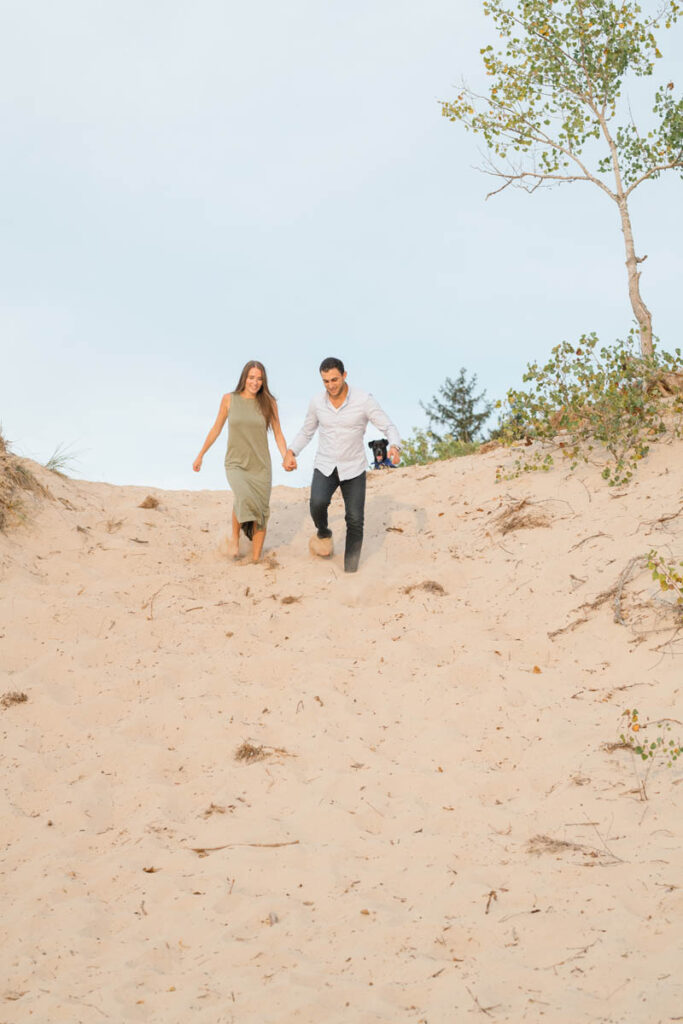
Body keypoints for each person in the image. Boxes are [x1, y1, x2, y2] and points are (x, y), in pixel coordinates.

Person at [283, 357, 400, 573]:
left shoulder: (364, 400)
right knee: (317, 504)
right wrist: (292, 451)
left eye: (334, 380)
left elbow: (388, 425)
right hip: (325, 464)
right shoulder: (317, 402)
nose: (330, 385)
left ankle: (350, 571)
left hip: (353, 468)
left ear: (345, 376)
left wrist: (395, 446)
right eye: (325, 381)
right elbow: (307, 431)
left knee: (355, 520)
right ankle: (324, 533)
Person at [193, 361, 289, 563]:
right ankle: (235, 540)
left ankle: (255, 558)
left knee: (262, 511)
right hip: (236, 463)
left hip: (261, 466)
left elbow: (278, 434)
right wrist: (201, 454)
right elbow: (216, 429)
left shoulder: (269, 403)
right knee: (243, 496)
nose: (255, 382)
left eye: (259, 378)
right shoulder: (229, 400)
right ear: (244, 378)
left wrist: (286, 456)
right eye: (252, 377)